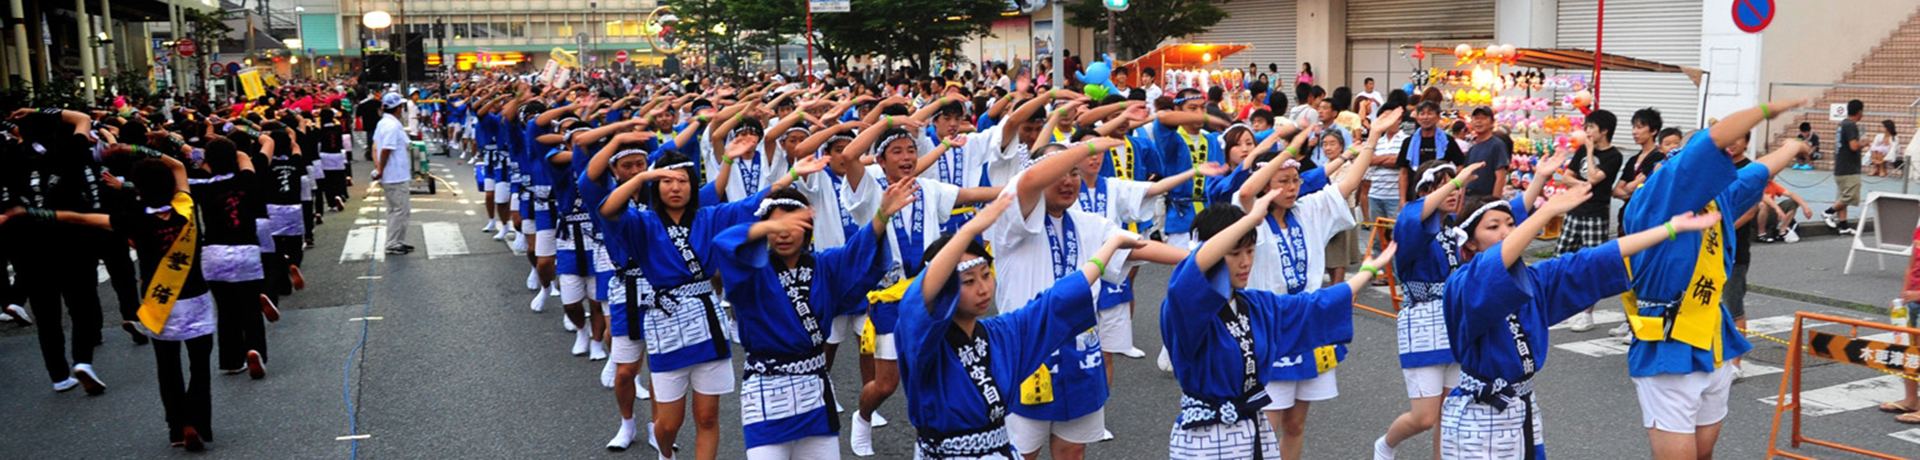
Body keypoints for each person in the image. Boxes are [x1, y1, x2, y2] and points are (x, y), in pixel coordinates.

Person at [1438, 177, 1721, 459]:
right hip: (1480, 413)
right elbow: (1493, 267)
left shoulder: (1535, 279)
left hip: (1520, 406)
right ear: (1470, 243)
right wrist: (1546, 212)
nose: (1507, 232)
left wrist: (1669, 229)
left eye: (1511, 224)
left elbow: (1596, 259)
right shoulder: (1462, 285)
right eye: (1493, 227)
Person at [1620, 98, 1807, 460]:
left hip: (1715, 342)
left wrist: (1791, 147)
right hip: (1668, 345)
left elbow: (1757, 171)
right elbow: (1713, 140)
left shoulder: (1714, 198)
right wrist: (1770, 109)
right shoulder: (1660, 194)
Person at [3, 147, 218, 450]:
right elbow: (178, 166)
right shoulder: (185, 206)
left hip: (160, 307)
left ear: (139, 189)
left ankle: (176, 428)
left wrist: (32, 213)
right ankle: (196, 421)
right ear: (170, 185)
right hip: (195, 301)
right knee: (199, 367)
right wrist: (136, 147)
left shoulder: (133, 219)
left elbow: (81, 218)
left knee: (168, 369)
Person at [895, 192, 1140, 459]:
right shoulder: (923, 341)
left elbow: (1055, 303)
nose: (983, 289)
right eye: (968, 281)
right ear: (944, 288)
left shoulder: (1000, 334)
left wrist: (1111, 244)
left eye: (986, 275)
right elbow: (918, 300)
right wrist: (970, 231)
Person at [1165, 194, 1394, 459]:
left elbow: (1312, 306)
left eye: (1250, 251)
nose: (1245, 262)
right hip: (1204, 435)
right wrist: (1251, 218)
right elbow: (1190, 273)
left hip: (1252, 428)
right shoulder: (1185, 307)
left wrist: (1366, 272)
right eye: (1234, 253)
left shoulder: (1257, 304)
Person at [1230, 108, 1402, 460]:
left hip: (1309, 322)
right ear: (1266, 185)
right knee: (1266, 426)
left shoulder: (1309, 209)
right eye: (1282, 182)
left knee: (1296, 423)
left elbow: (1348, 183)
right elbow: (1247, 190)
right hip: (1270, 325)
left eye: (1295, 181)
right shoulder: (1251, 217)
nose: (1292, 188)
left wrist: (1371, 138)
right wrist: (1282, 151)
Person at [1376, 149, 1563, 459]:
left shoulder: (1461, 232)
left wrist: (1540, 177)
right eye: (1442, 185)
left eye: (1456, 185)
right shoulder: (1410, 229)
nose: (1453, 191)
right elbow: (1414, 215)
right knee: (1424, 417)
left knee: (1450, 410)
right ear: (1424, 193)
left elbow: (1507, 215)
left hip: (1463, 325)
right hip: (1423, 326)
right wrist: (1458, 178)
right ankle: (1386, 445)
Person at [710, 181, 910, 459]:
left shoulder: (825, 265)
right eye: (775, 226)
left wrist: (882, 216)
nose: (783, 233)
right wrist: (770, 225)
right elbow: (724, 243)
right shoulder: (751, 271)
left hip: (814, 392)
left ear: (807, 230)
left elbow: (858, 253)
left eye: (793, 225)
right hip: (767, 392)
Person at [0, 107, 109, 394]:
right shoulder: (68, 151)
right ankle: (83, 361)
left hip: (29, 246)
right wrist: (40, 110)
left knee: (46, 314)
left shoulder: (9, 156)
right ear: (52, 130)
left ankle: (59, 376)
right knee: (82, 306)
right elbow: (82, 118)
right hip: (72, 240)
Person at [1557, 109, 1624, 332]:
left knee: (1593, 264)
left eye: (1590, 127)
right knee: (1561, 259)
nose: (1586, 131)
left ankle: (1587, 314)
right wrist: (1584, 185)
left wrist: (1589, 152)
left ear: (1603, 130)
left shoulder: (1614, 156)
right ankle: (1564, 307)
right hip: (1574, 210)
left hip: (1596, 215)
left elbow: (1595, 178)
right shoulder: (1581, 150)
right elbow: (1566, 177)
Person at [1876, 215, 1920, 424]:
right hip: (1911, 302)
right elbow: (1910, 266)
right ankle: (1912, 399)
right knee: (1908, 351)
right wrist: (1902, 297)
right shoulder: (1919, 232)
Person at [372, 92, 416, 255]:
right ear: (398, 108)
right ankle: (393, 242)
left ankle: (396, 240)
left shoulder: (384, 123)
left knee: (394, 210)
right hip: (395, 174)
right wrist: (381, 168)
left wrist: (378, 168)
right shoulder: (391, 125)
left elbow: (375, 147)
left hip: (391, 174)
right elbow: (385, 149)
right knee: (400, 210)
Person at [1397, 102, 1467, 202]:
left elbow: (1460, 166)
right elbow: (1403, 174)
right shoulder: (1408, 142)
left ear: (1438, 117)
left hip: (1440, 198)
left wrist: (1450, 185)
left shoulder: (1447, 141)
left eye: (1430, 113)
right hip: (1413, 198)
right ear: (1417, 118)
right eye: (1422, 113)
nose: (1425, 117)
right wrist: (1402, 200)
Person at [1825, 99, 1865, 235]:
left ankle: (1843, 224)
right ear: (1859, 112)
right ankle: (1828, 212)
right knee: (1851, 195)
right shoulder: (1851, 125)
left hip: (1840, 166)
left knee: (1842, 197)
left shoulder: (1843, 124)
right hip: (1849, 167)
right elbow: (1853, 146)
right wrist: (1863, 143)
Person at [1460, 108, 1509, 197]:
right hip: (1468, 199)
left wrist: (1494, 203)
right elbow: (1466, 177)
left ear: (1492, 123)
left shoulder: (1497, 145)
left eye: (1483, 118)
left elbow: (1500, 177)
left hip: (1485, 199)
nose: (1479, 121)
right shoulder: (1473, 148)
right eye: (1476, 118)